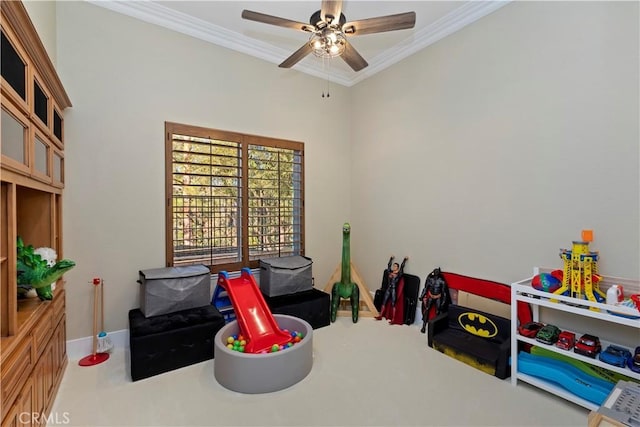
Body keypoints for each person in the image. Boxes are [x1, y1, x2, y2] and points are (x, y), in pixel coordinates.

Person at [376, 256, 408, 322]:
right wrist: (391, 259)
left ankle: (393, 319)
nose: (394, 267)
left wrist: (404, 260)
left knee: (393, 304)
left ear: (397, 268)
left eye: (395, 266)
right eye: (393, 266)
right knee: (384, 302)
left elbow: (402, 267)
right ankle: (380, 315)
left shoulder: (399, 274)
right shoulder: (390, 272)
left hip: (393, 290)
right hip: (388, 289)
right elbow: (388, 266)